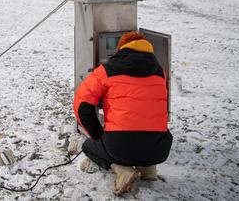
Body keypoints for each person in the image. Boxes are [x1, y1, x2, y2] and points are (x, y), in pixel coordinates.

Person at [72, 31, 172, 195]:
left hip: (119, 146)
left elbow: (82, 104)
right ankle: (148, 169)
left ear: (122, 49)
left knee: (88, 146)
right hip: (159, 148)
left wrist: (97, 134)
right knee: (142, 137)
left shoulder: (107, 70)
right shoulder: (159, 72)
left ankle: (121, 169)